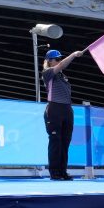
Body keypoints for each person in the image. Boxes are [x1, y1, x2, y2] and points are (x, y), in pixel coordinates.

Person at [41, 49, 83, 180]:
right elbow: (61, 65)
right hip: (54, 109)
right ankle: (54, 172)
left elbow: (61, 67)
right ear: (49, 61)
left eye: (60, 58)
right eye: (57, 59)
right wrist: (73, 55)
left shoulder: (63, 76)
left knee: (65, 142)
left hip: (67, 109)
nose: (59, 61)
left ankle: (62, 171)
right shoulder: (47, 73)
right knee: (56, 141)